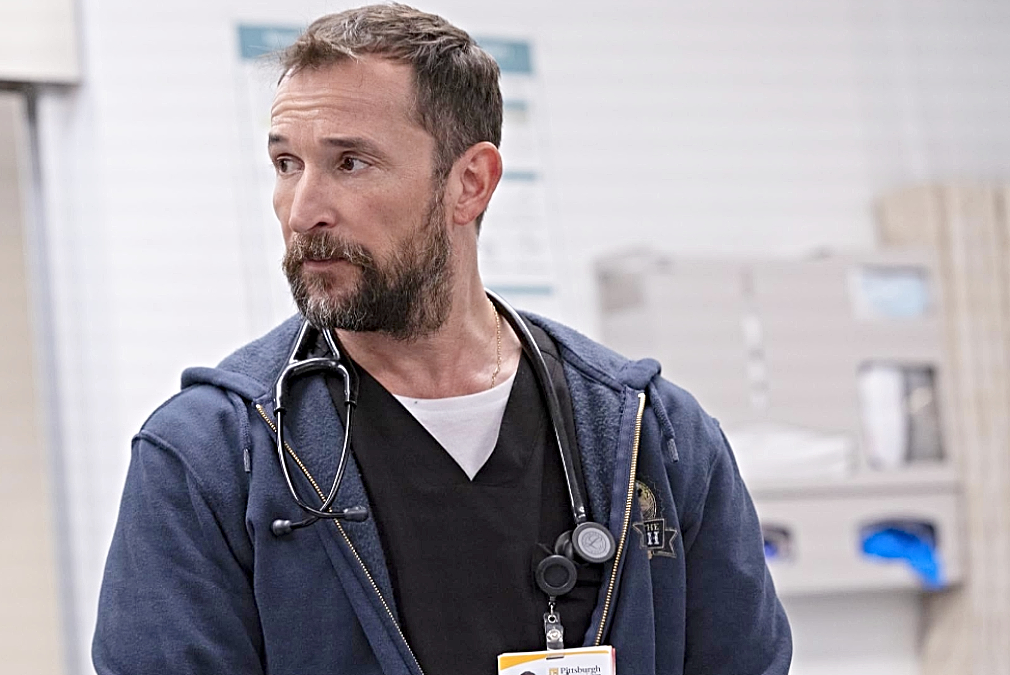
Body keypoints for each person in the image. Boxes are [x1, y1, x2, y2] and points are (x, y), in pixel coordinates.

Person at [92, 4, 792, 674]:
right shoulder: (211, 457)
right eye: (286, 165)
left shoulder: (654, 439)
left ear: (469, 183)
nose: (303, 211)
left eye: (350, 163)